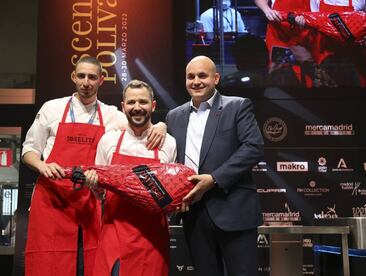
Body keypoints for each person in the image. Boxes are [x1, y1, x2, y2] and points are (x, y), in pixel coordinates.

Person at [22, 57, 166, 276]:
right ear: (74, 77)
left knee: (91, 264)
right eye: (81, 76)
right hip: (52, 200)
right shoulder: (52, 108)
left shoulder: (112, 115)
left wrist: (162, 125)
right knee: (50, 264)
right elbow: (29, 149)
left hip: (91, 202)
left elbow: (140, 124)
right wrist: (42, 165)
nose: (86, 82)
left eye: (91, 77)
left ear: (101, 80)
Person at [166, 56, 264, 276]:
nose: (196, 81)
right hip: (194, 213)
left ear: (216, 78)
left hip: (234, 209)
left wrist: (214, 179)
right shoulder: (173, 117)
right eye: (191, 76)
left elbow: (253, 147)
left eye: (203, 75)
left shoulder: (237, 105)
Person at [84, 79, 177, 276]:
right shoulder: (108, 140)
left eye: (143, 102)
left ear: (153, 105)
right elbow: (101, 192)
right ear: (123, 106)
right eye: (131, 102)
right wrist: (94, 184)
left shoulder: (168, 143)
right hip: (114, 232)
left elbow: (169, 194)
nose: (137, 108)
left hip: (153, 238)